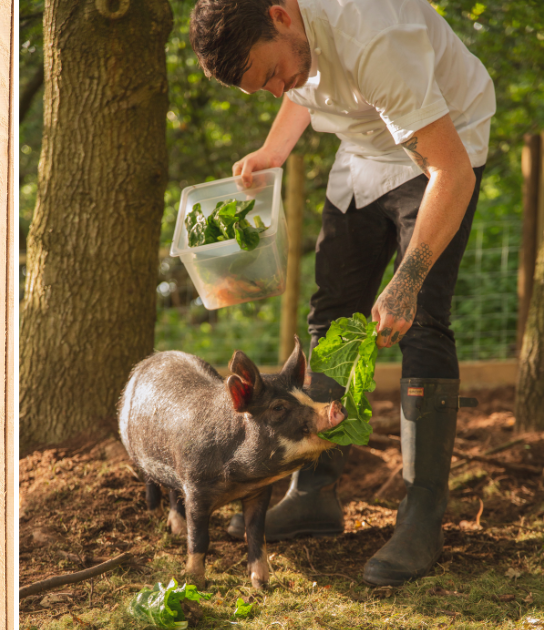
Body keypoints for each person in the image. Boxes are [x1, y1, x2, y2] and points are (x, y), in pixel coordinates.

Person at [188, 0, 494, 586]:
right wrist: (274, 151)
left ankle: (422, 515)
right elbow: (301, 86)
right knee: (331, 314)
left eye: (270, 73)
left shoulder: (374, 35)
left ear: (280, 15)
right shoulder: (291, 44)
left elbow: (451, 172)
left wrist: (406, 281)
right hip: (364, 154)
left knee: (422, 321)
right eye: (262, 87)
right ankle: (314, 493)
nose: (277, 88)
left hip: (441, 152)